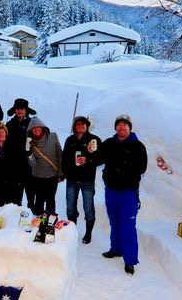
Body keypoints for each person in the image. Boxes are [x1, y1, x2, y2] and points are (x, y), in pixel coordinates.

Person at [96, 115, 148, 275]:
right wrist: (92, 153)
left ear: (130, 128)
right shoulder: (109, 143)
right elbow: (98, 159)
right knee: (115, 222)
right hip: (111, 191)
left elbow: (141, 168)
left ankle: (130, 260)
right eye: (118, 125)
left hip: (128, 193)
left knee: (128, 226)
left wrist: (123, 171)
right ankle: (116, 249)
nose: (121, 128)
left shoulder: (138, 146)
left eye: (125, 125)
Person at [62, 116, 102, 244]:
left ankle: (88, 232)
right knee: (70, 207)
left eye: (83, 124)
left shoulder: (94, 140)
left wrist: (89, 158)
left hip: (87, 180)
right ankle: (72, 232)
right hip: (72, 179)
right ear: (74, 126)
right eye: (78, 124)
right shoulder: (70, 140)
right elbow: (64, 158)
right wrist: (64, 173)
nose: (80, 126)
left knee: (88, 208)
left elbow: (100, 159)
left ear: (87, 126)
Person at [26, 117, 63, 215]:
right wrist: (29, 153)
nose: (36, 130)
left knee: (51, 199)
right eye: (33, 128)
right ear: (30, 130)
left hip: (52, 175)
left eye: (38, 127)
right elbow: (32, 164)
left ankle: (50, 223)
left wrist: (61, 172)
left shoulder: (53, 136)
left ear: (43, 127)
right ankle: (38, 222)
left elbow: (60, 155)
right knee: (39, 200)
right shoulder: (30, 142)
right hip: (38, 176)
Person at [5, 98, 36, 209]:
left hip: (28, 166)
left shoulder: (32, 123)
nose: (19, 111)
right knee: (15, 199)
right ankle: (16, 221)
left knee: (31, 197)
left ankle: (32, 219)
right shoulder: (9, 124)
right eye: (17, 108)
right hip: (14, 167)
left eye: (22, 108)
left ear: (26, 110)